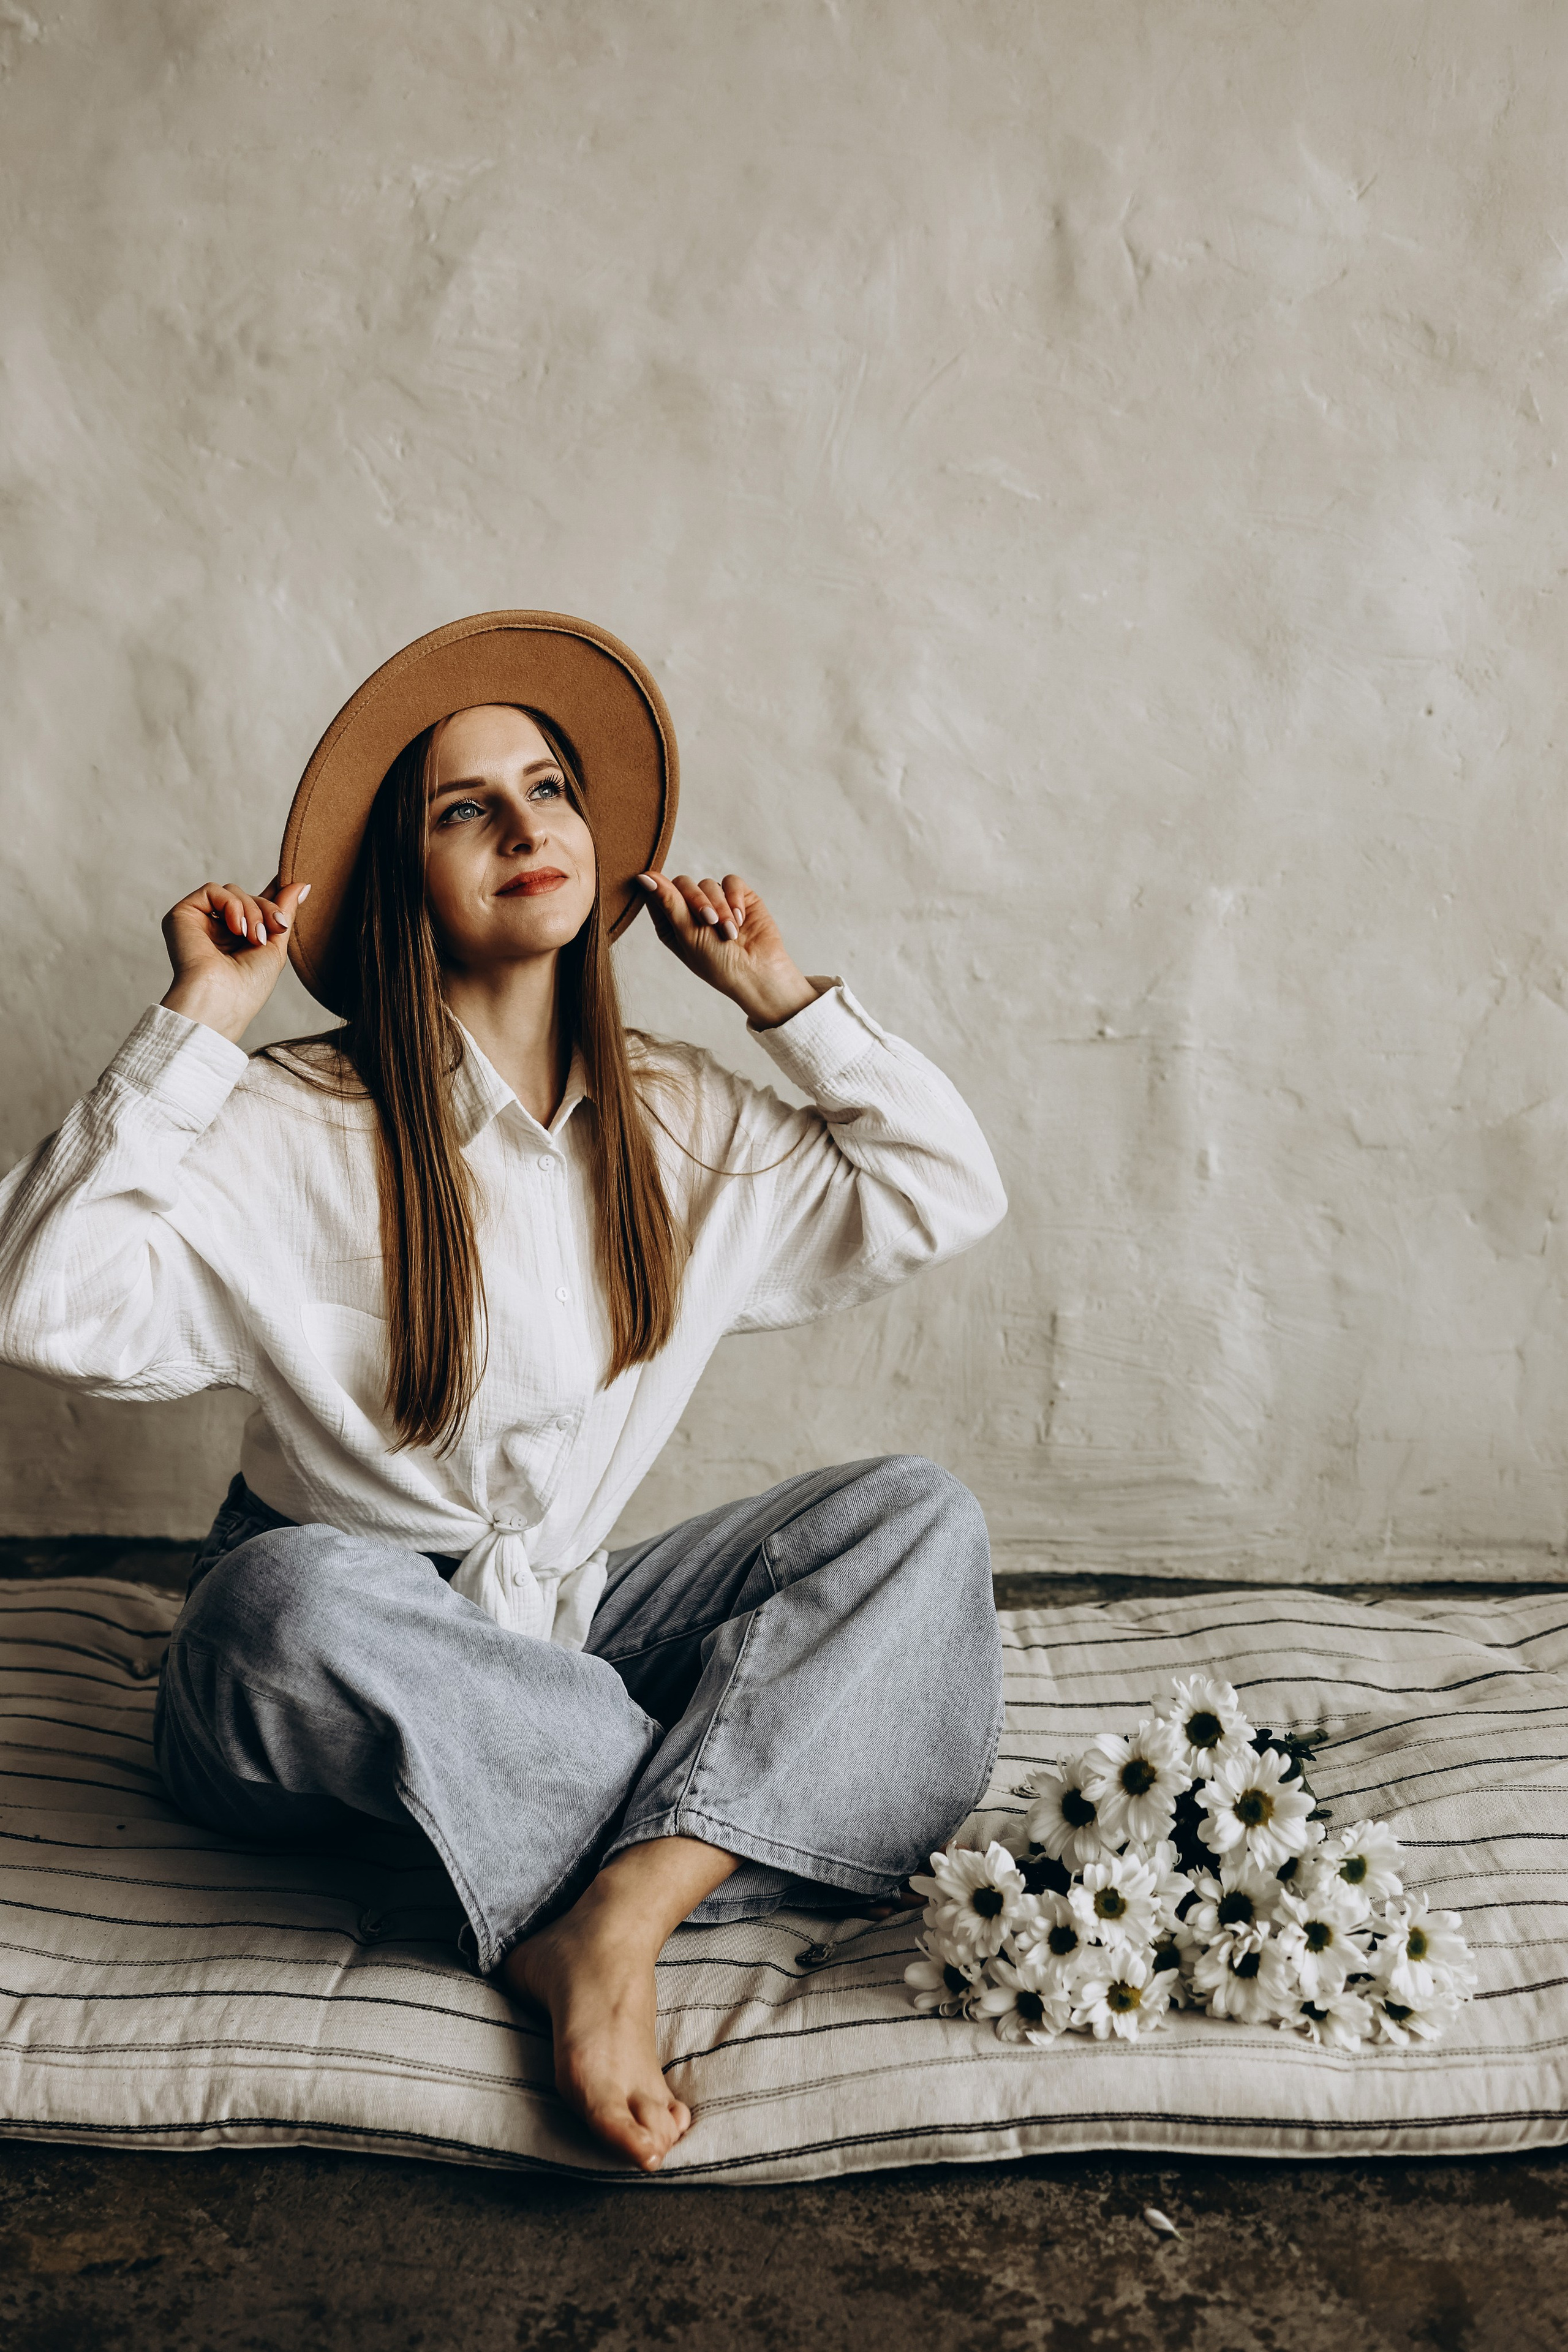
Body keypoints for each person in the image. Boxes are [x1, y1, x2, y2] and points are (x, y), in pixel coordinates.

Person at [0, 611, 1008, 2173]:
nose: (527, 825)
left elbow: (944, 1189)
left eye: (548, 790)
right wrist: (202, 1015)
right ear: (409, 874)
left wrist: (777, 993)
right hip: (321, 1678)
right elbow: (39, 1298)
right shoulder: (290, 1117)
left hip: (559, 1635)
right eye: (467, 808)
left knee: (912, 1522)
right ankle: (746, 1806)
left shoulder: (677, 1112)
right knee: (285, 1599)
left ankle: (614, 1913)